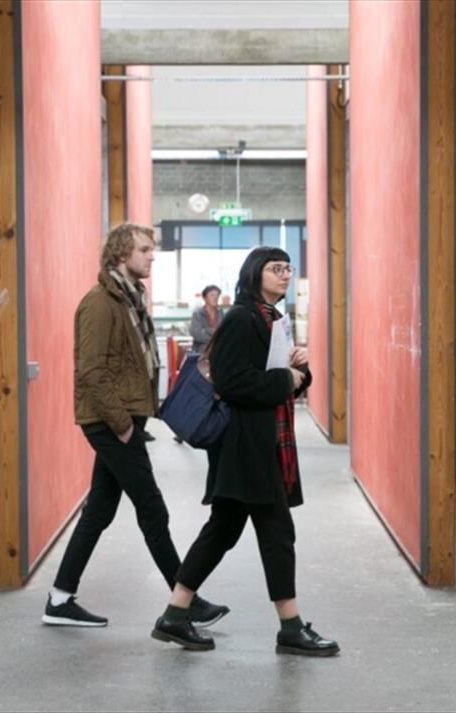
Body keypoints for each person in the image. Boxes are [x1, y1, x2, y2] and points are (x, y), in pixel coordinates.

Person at [150, 246, 339, 656]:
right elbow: (234, 383)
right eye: (276, 268)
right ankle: (289, 627)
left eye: (288, 268)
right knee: (275, 533)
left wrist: (300, 370)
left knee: (223, 532)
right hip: (245, 447)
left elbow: (279, 379)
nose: (286, 275)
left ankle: (175, 615)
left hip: (260, 442)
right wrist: (285, 378)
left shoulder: (272, 320)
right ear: (256, 273)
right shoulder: (241, 318)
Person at [41, 223, 229, 628]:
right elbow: (91, 371)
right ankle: (184, 602)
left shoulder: (130, 299)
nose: (151, 256)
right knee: (153, 509)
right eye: (144, 249)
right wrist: (123, 425)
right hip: (110, 423)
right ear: (121, 254)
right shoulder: (99, 303)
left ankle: (59, 598)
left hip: (123, 420)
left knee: (98, 512)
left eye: (151, 249)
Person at [188, 284, 226, 353]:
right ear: (205, 298)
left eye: (217, 295)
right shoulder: (197, 314)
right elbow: (197, 334)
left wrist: (206, 330)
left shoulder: (222, 313)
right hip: (201, 352)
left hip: (220, 350)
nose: (215, 298)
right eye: (212, 295)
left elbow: (225, 332)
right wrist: (216, 337)